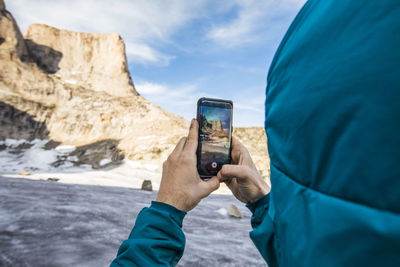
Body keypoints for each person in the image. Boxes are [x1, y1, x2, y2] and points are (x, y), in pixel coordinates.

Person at [112, 1, 400, 266]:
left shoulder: (315, 23)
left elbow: (307, 253)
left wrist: (166, 210)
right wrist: (261, 201)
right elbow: (306, 255)